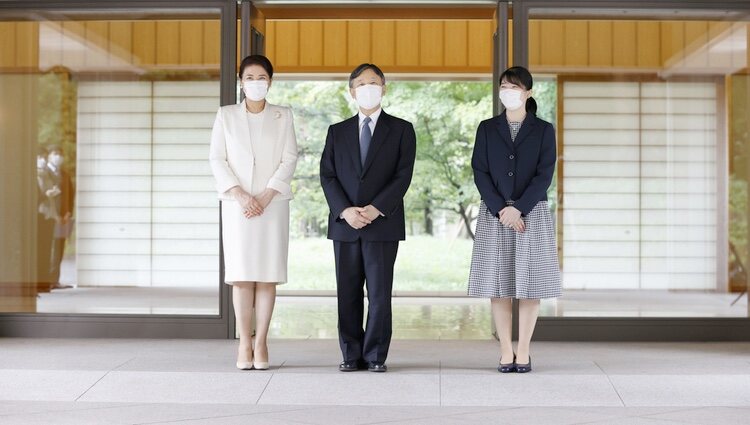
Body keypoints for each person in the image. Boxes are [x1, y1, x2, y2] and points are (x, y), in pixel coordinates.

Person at [320, 63, 416, 373]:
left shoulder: (401, 129)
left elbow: (403, 175)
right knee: (347, 293)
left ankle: (375, 355)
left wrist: (376, 208)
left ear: (384, 88)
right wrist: (345, 211)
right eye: (361, 83)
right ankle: (350, 353)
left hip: (382, 224)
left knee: (378, 294)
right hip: (345, 225)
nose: (367, 87)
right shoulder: (337, 131)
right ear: (351, 91)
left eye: (374, 82)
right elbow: (328, 175)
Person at [468, 66, 562, 374]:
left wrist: (518, 208)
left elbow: (544, 174)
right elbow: (479, 171)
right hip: (495, 214)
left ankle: (524, 351)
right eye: (504, 86)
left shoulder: (544, 130)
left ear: (529, 93)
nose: (508, 91)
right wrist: (500, 209)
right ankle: (505, 350)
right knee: (499, 284)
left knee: (530, 285)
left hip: (531, 212)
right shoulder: (486, 128)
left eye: (515, 87)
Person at [209, 55, 298, 371]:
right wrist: (240, 194)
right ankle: (243, 343)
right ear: (241, 81)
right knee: (242, 275)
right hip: (237, 207)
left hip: (272, 205)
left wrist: (266, 193)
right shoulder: (226, 115)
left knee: (267, 275)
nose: (256, 82)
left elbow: (290, 159)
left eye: (262, 77)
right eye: (250, 77)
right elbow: (217, 159)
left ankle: (261, 341)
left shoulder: (283, 116)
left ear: (270, 82)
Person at [46, 145, 74, 290]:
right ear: (49, 156)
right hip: (50, 217)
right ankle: (47, 279)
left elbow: (70, 194)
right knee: (50, 248)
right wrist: (55, 214)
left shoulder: (65, 174)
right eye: (55, 153)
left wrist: (68, 212)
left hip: (65, 217)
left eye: (60, 154)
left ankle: (55, 279)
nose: (58, 157)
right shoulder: (44, 173)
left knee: (60, 247)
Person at [36, 146, 56, 292]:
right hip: (38, 216)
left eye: (44, 157)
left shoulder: (46, 174)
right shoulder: (31, 175)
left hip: (49, 215)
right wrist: (46, 195)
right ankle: (38, 283)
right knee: (38, 250)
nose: (42, 160)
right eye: (39, 157)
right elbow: (33, 197)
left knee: (46, 249)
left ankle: (44, 283)